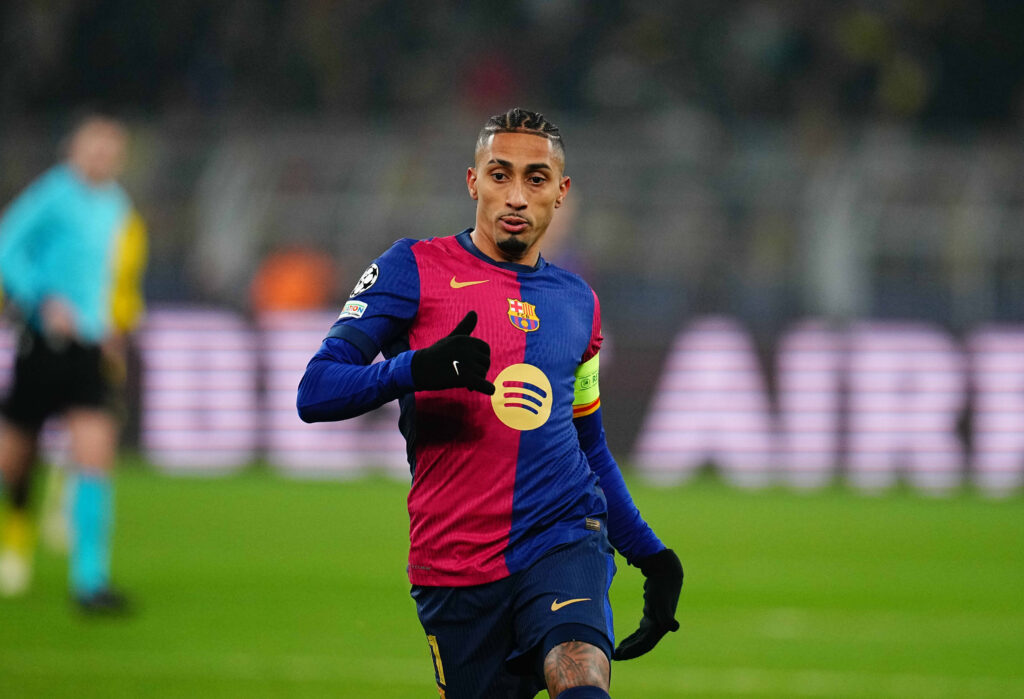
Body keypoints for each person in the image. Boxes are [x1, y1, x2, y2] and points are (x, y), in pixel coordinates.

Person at [297, 108, 682, 698]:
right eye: (500, 175)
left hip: (562, 535)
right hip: (452, 561)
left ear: (561, 192)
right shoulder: (412, 268)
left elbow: (589, 445)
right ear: (473, 181)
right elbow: (316, 390)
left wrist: (650, 555)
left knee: (579, 671)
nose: (517, 196)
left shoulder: (581, 303)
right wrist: (415, 369)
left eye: (535, 179)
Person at [0, 114, 147, 613]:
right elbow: (6, 249)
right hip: (42, 343)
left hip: (87, 348)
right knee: (14, 458)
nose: (102, 159)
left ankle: (90, 582)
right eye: (94, 149)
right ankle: (16, 532)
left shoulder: (117, 206)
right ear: (75, 151)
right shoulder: (52, 195)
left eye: (110, 151)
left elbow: (108, 278)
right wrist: (40, 298)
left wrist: (109, 327)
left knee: (95, 455)